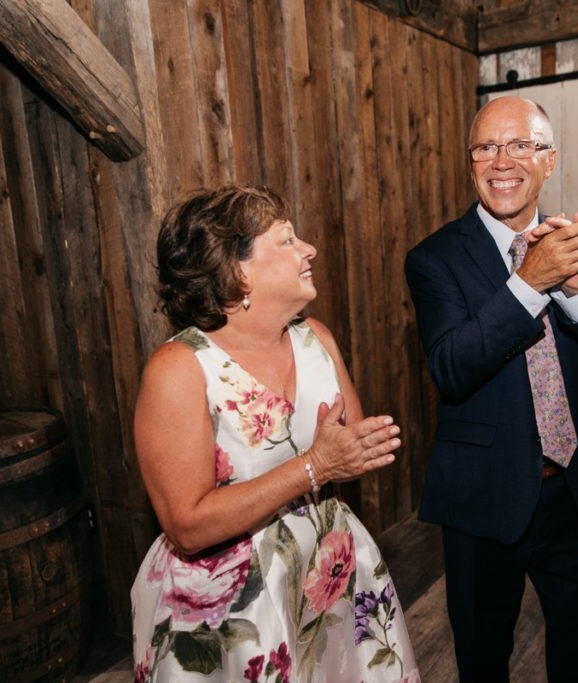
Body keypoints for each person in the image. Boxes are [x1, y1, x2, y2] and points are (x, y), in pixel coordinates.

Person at [130, 185, 418, 682]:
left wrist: (352, 452)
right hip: (230, 601)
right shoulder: (179, 368)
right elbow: (187, 524)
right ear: (237, 270)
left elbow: (346, 449)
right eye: (286, 241)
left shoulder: (316, 338)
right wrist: (315, 466)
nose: (308, 249)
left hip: (326, 569)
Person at [404, 96, 578, 682]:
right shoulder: (435, 258)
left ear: (550, 161)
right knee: (484, 659)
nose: (501, 160)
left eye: (520, 145)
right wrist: (529, 284)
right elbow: (451, 369)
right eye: (486, 146)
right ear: (470, 163)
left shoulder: (573, 243)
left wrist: (577, 287)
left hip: (573, 486)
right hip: (484, 497)